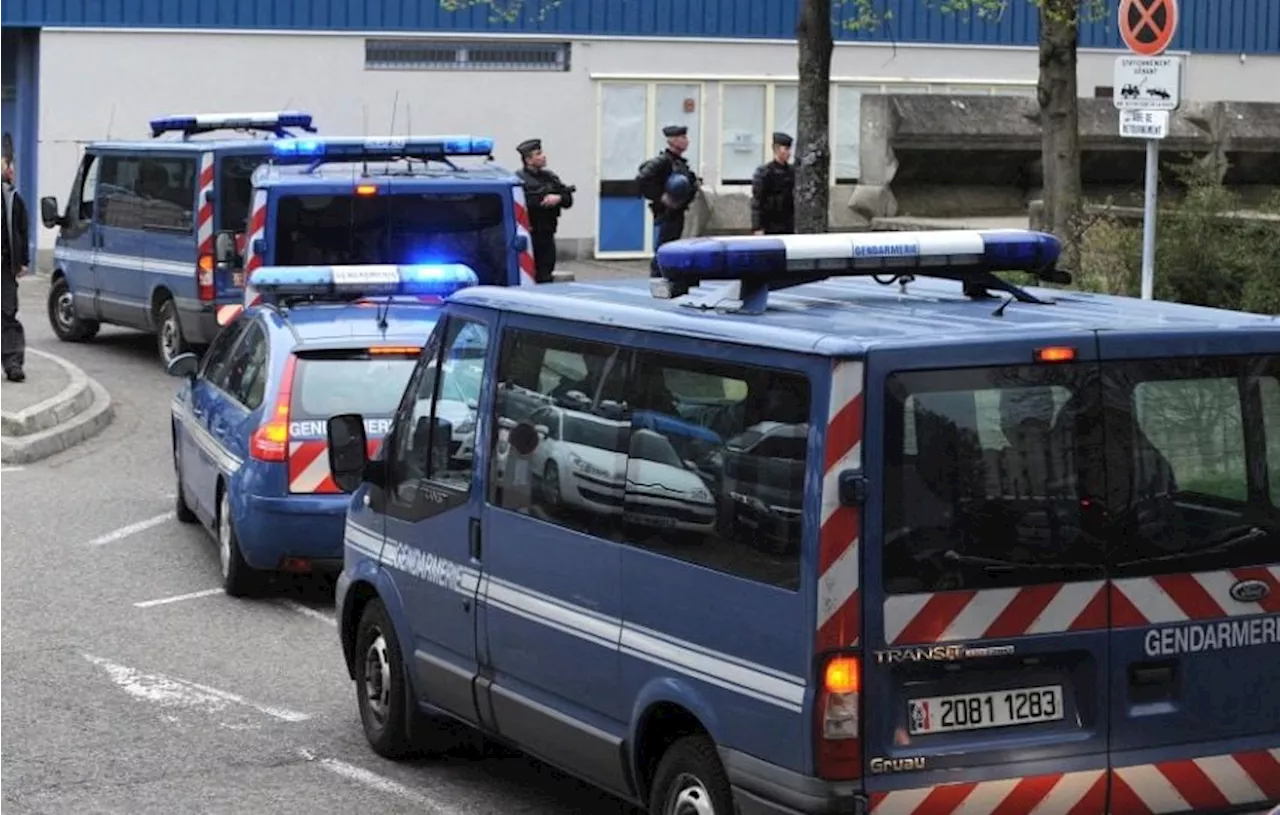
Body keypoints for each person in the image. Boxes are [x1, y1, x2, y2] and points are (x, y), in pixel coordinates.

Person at [637, 125, 700, 276]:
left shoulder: (680, 163)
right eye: (682, 138)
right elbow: (642, 179)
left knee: (671, 248)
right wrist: (661, 197)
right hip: (666, 214)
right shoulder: (663, 161)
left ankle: (667, 277)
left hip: (678, 212)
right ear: (672, 140)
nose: (686, 141)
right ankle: (658, 278)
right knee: (663, 249)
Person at [515, 138, 575, 283]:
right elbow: (523, 203)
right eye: (538, 154)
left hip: (547, 232)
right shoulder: (519, 179)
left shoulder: (550, 177)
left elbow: (567, 200)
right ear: (528, 160)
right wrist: (542, 201)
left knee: (546, 272)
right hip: (529, 233)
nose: (543, 156)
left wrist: (558, 198)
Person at [0, 162, 28, 382]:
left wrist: (23, 261)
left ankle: (12, 363)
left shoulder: (12, 198)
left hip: (5, 265)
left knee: (7, 312)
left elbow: (21, 228)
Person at [750, 132, 796, 235]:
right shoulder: (764, 173)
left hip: (788, 224)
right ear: (777, 149)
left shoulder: (792, 172)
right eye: (786, 149)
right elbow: (757, 201)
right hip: (770, 225)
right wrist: (757, 227)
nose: (789, 153)